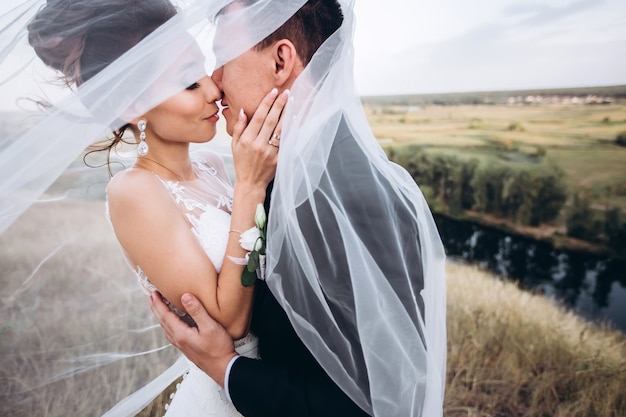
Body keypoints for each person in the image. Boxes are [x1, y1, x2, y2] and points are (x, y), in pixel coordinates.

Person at [152, 0, 447, 416]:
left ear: (280, 60)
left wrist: (227, 368)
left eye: (223, 60)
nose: (215, 82)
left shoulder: (353, 196)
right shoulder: (287, 167)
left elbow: (378, 402)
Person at [23, 0, 286, 416]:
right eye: (188, 84)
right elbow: (227, 324)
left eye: (202, 70)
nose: (213, 90)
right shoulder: (133, 191)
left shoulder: (214, 165)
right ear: (132, 107)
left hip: (278, 385)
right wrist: (251, 186)